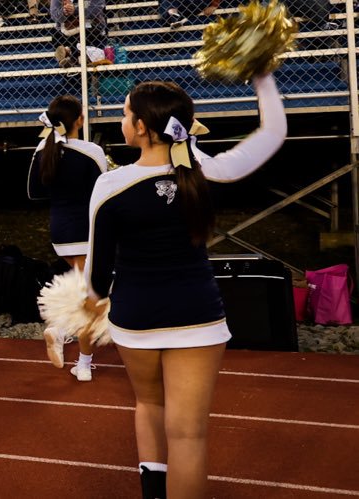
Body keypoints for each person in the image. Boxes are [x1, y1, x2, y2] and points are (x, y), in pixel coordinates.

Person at [87, 73, 285, 499]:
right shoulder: (206, 172)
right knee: (190, 437)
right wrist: (262, 78)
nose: (122, 120)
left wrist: (85, 307)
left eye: (124, 113)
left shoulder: (109, 185)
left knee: (149, 404)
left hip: (135, 319)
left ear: (140, 126)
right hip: (199, 316)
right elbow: (273, 133)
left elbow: (97, 276)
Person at [27, 94, 106, 380]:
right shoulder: (91, 151)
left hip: (60, 230)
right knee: (93, 297)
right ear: (79, 120)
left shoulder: (43, 149)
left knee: (86, 292)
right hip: (87, 230)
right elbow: (105, 192)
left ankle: (77, 353)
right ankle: (67, 340)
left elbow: (34, 192)